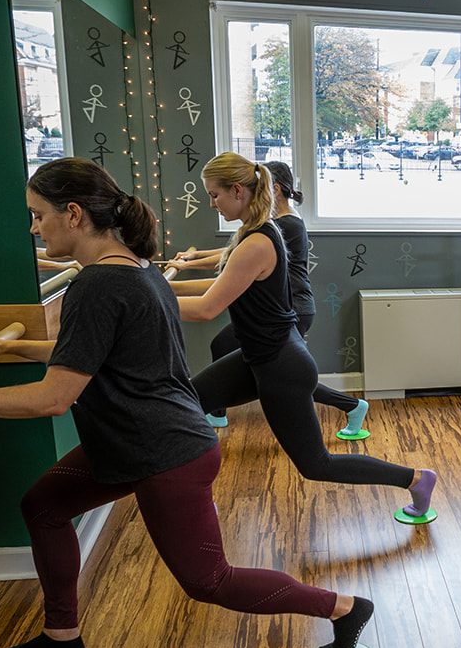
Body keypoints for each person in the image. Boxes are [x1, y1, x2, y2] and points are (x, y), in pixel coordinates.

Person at [0, 158, 374, 648]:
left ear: (73, 214)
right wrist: (12, 348)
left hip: (164, 452)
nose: (33, 228)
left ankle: (344, 608)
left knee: (211, 581)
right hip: (134, 441)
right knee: (44, 506)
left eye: (37, 215)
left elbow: (53, 397)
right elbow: (83, 350)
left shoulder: (97, 285)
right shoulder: (134, 265)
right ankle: (61, 633)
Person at [170, 152, 438, 519]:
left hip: (281, 366)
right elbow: (220, 283)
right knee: (187, 402)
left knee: (316, 465)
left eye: (214, 195)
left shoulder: (259, 241)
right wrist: (158, 287)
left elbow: (206, 308)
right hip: (258, 357)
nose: (212, 204)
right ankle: (194, 497)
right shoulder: (254, 231)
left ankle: (417, 480)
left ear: (237, 191)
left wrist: (147, 298)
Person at [170, 161, 369, 438]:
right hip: (286, 307)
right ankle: (215, 410)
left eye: (215, 196)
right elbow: (231, 254)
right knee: (259, 364)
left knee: (284, 374)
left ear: (272, 189)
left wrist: (186, 268)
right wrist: (192, 259)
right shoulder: (268, 225)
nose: (214, 203)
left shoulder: (282, 225)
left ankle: (351, 404)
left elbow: (232, 259)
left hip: (292, 307)